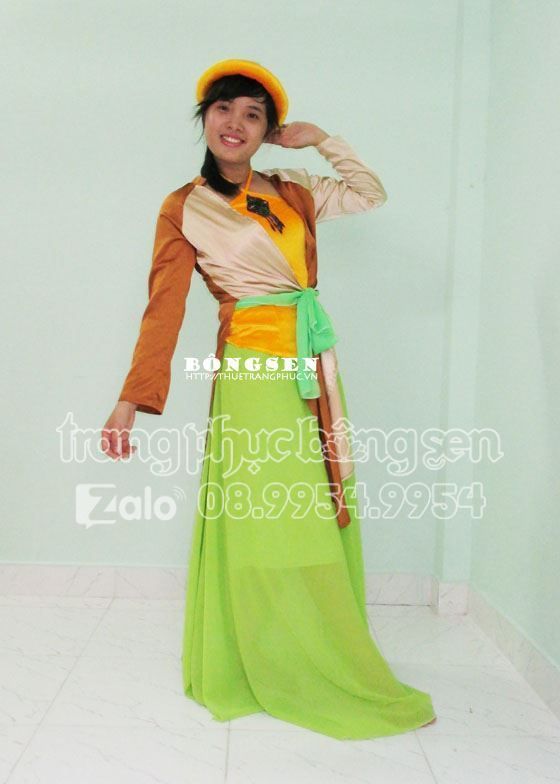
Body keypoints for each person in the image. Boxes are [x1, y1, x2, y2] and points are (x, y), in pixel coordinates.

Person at [102, 58, 437, 740]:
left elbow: (370, 193)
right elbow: (164, 309)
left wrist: (322, 140)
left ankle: (316, 643)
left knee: (316, 502)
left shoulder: (294, 190)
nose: (236, 124)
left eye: (253, 115)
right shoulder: (184, 207)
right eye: (224, 109)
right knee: (268, 511)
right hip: (252, 370)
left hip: (313, 362)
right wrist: (131, 400)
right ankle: (259, 650)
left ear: (268, 131)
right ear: (205, 118)